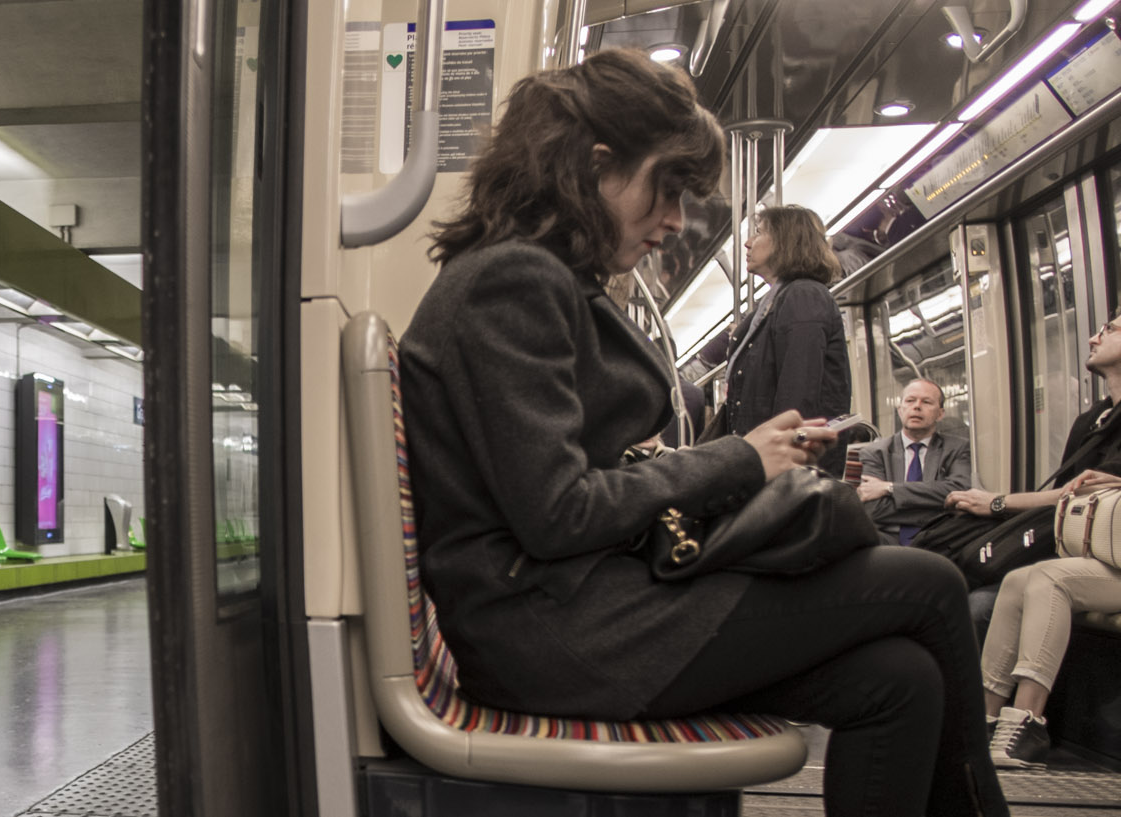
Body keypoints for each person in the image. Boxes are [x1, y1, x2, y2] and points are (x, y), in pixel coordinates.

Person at [400, 49, 1007, 815]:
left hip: (580, 607)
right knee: (929, 581)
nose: (677, 220)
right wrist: (737, 459)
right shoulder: (512, 282)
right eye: (669, 188)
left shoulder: (536, 276)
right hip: (557, 630)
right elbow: (558, 512)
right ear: (594, 165)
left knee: (900, 680)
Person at [950, 314, 1121, 769]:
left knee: (1048, 578)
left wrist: (999, 502)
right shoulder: (1094, 419)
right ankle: (984, 721)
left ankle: (1027, 722)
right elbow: (1070, 490)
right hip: (1097, 555)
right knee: (1017, 581)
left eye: (1112, 329)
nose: (1094, 336)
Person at [709, 205, 853, 475]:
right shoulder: (776, 301)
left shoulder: (804, 296)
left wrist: (780, 464)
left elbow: (798, 395)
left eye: (759, 233)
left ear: (785, 241)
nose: (748, 243)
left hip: (786, 471)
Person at [860, 378, 973, 546]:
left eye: (926, 402)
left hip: (941, 538)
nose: (917, 406)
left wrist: (890, 488)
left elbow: (958, 490)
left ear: (940, 413)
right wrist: (939, 507)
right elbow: (872, 509)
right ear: (900, 410)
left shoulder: (957, 448)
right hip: (887, 541)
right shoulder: (875, 452)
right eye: (910, 400)